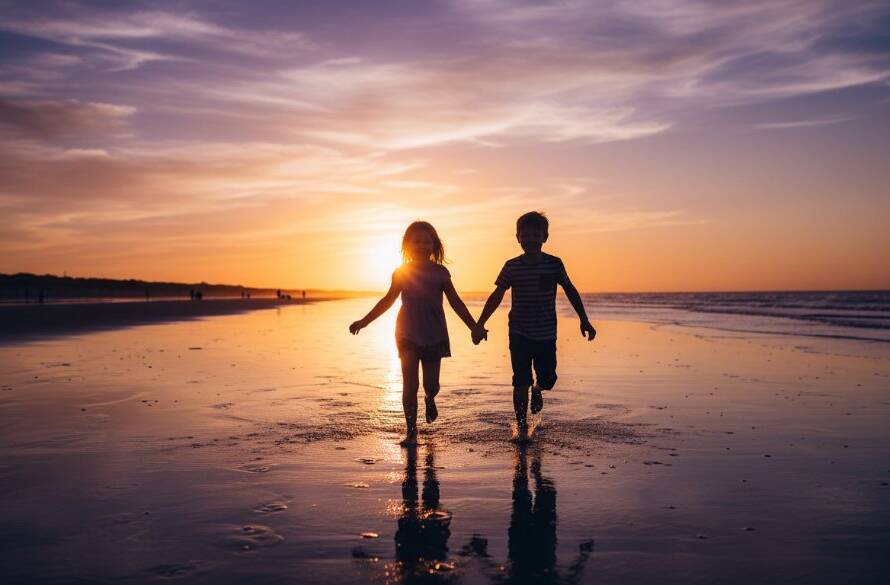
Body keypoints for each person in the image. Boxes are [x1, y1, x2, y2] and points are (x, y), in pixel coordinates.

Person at [350, 221, 480, 445]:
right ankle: (411, 430)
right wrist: (364, 321)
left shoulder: (441, 272)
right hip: (407, 333)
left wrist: (474, 326)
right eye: (416, 241)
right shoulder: (401, 273)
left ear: (434, 245)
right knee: (410, 384)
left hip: (434, 334)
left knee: (431, 384)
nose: (421, 245)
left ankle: (430, 399)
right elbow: (387, 301)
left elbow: (456, 302)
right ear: (407, 245)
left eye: (426, 241)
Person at [473, 211, 596, 443]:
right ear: (517, 237)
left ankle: (538, 390)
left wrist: (584, 319)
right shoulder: (512, 266)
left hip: (546, 333)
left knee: (548, 379)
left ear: (545, 237)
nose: (530, 239)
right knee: (520, 380)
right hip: (519, 332)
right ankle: (521, 429)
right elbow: (497, 295)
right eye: (525, 235)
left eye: (535, 235)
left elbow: (570, 290)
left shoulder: (554, 264)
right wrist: (480, 323)